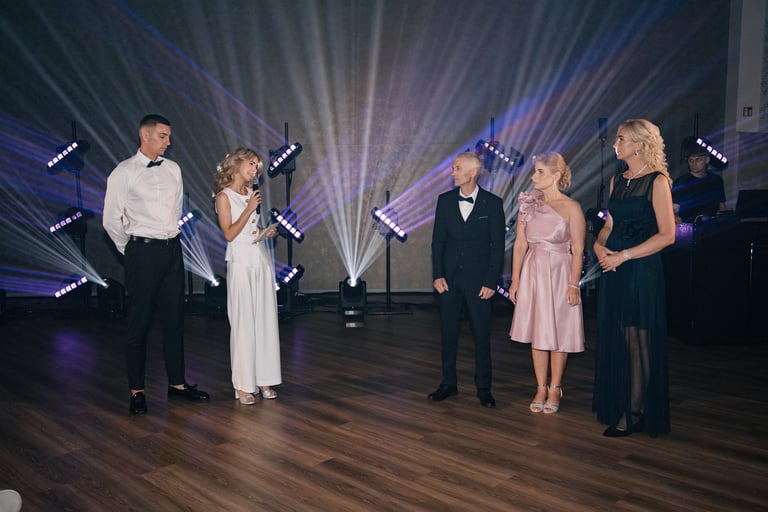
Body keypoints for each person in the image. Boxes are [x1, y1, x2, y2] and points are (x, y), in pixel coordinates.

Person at [103, 114, 209, 415]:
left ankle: (177, 384)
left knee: (175, 320)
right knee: (139, 324)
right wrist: (131, 250)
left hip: (172, 250)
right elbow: (110, 220)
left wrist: (168, 240)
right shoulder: (124, 172)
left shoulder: (173, 169)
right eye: (163, 136)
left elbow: (176, 209)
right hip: (142, 253)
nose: (168, 142)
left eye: (169, 137)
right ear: (145, 136)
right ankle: (137, 391)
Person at [592, 119, 675, 437]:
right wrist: (598, 246)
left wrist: (624, 255)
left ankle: (635, 411)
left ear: (639, 145)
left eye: (622, 139)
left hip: (640, 269)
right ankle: (623, 401)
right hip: (614, 268)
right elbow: (609, 225)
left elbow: (667, 235)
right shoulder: (617, 180)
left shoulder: (657, 181)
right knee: (620, 337)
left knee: (638, 340)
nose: (616, 144)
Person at [508, 152, 585, 414]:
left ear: (556, 175)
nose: (533, 176)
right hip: (533, 271)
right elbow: (520, 245)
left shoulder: (572, 207)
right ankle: (540, 387)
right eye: (535, 171)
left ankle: (555, 388)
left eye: (540, 171)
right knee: (538, 331)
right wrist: (515, 280)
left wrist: (573, 284)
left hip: (560, 272)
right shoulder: (528, 203)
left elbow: (578, 249)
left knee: (559, 331)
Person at [429, 152, 506, 408]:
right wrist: (438, 274)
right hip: (448, 281)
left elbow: (497, 247)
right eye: (453, 168)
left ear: (473, 172)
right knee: (448, 334)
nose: (453, 172)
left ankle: (484, 387)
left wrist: (491, 281)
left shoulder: (492, 203)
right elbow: (438, 241)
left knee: (482, 336)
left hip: (479, 282)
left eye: (457, 168)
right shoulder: (445, 201)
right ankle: (448, 383)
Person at [214, 147, 282, 404]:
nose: (255, 170)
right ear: (237, 163)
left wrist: (264, 231)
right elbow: (229, 234)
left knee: (265, 321)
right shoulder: (224, 196)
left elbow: (248, 230)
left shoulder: (249, 194)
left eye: (257, 166)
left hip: (259, 259)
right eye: (251, 164)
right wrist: (249, 208)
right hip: (240, 262)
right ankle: (243, 386)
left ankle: (264, 379)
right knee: (243, 324)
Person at [672, 139, 726, 222]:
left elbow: (721, 206)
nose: (694, 163)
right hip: (690, 226)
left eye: (698, 159)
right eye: (691, 160)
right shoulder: (681, 183)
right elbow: (674, 210)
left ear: (707, 160)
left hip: (711, 226)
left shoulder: (716, 180)